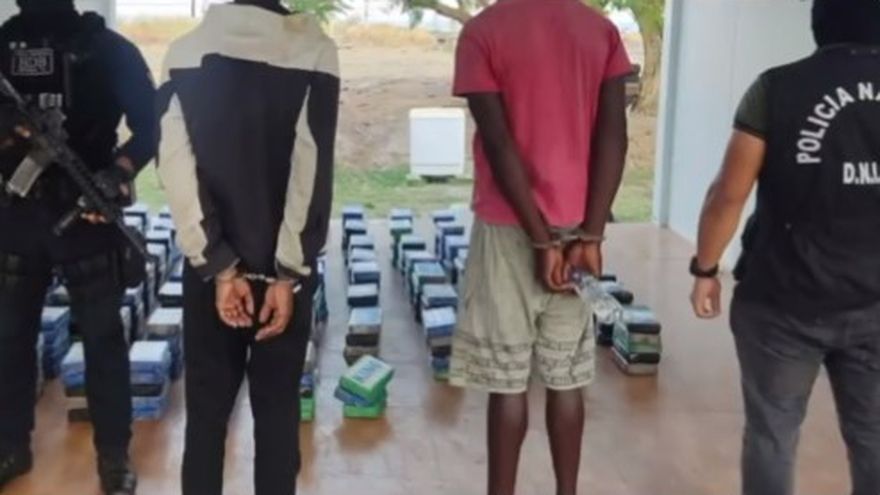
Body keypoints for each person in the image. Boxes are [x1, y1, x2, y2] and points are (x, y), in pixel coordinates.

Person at [690, 1, 880, 494]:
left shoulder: (776, 88)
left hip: (782, 301)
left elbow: (728, 194)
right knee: (874, 440)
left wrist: (705, 269)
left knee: (772, 436)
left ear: (819, 24)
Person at [448, 0, 630, 493]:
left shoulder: (483, 33)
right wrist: (590, 235)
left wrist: (540, 239)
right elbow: (614, 136)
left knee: (508, 385)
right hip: (578, 231)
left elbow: (499, 143)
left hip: (509, 229)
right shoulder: (600, 32)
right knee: (566, 378)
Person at [156, 1, 338, 494]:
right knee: (278, 416)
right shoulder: (314, 52)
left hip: (212, 278)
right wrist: (286, 273)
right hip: (283, 282)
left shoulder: (183, 54)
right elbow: (310, 169)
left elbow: (176, 170)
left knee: (206, 418)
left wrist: (219, 266)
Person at [0, 0, 156, 493]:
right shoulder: (3, 46)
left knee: (103, 342)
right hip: (17, 214)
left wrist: (117, 174)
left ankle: (113, 456)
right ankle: (10, 447)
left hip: (87, 215)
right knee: (9, 341)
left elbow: (150, 126)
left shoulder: (107, 49)